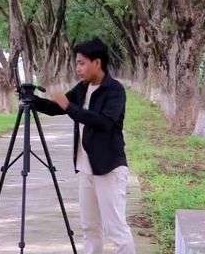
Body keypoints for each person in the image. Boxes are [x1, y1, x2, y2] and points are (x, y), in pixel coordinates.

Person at [33, 38, 136, 254]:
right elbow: (57, 108)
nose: (77, 68)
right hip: (85, 169)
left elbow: (103, 123)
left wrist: (69, 106)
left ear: (97, 63)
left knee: (115, 229)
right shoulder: (83, 88)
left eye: (81, 63)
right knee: (90, 228)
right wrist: (31, 100)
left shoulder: (114, 90)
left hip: (108, 168)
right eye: (77, 63)